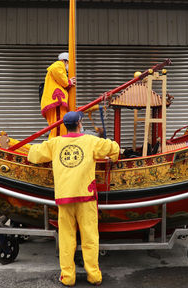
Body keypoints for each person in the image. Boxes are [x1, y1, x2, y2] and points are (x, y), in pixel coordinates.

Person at [27, 111, 120, 286]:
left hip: (65, 197)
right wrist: (113, 156)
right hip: (86, 197)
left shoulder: (55, 143)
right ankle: (94, 276)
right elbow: (113, 148)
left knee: (67, 238)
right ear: (80, 123)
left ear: (65, 126)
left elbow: (33, 154)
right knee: (90, 237)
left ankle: (68, 277)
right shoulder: (91, 141)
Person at [41, 52, 77, 139]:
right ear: (65, 61)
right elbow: (55, 69)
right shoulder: (58, 64)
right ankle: (55, 147)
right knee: (58, 128)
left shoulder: (61, 69)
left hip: (56, 102)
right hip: (56, 102)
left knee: (59, 128)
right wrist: (68, 82)